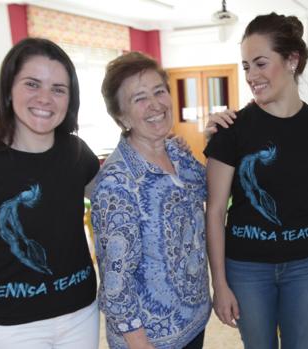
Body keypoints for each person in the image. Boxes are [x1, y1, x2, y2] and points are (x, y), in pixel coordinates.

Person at [203, 12, 308, 349]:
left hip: (307, 266)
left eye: (260, 63)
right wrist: (220, 283)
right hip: (247, 268)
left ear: (292, 60)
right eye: (245, 67)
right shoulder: (232, 128)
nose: (251, 76)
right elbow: (214, 212)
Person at [0, 38, 100, 349]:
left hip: (81, 313)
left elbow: (120, 197)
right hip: (13, 327)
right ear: (9, 89)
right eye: (32, 84)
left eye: (58, 89)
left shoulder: (76, 152)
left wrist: (161, 145)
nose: (45, 98)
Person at [91, 51, 210, 349]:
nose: (155, 104)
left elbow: (209, 191)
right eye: (139, 98)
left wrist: (213, 140)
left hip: (192, 321)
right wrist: (139, 343)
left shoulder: (176, 152)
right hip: (151, 339)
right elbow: (116, 284)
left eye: (159, 91)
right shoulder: (117, 183)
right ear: (122, 116)